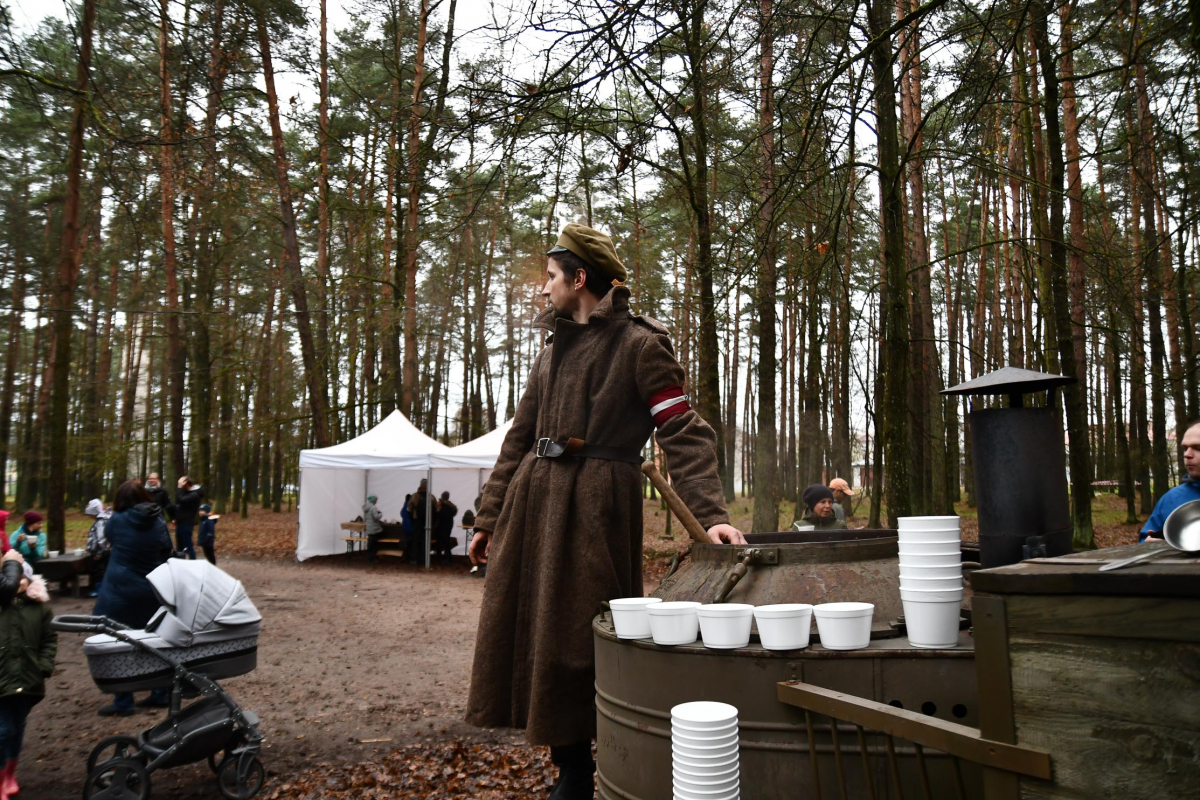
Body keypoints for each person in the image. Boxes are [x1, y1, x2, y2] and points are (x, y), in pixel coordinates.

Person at [465, 223, 744, 799]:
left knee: (579, 637)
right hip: (532, 505)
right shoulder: (552, 348)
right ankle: (564, 759)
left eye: (550, 278)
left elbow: (683, 432)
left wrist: (710, 513)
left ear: (580, 278)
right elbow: (518, 439)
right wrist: (489, 517)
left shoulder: (641, 344)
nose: (543, 290)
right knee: (532, 631)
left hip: (596, 508)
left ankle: (581, 769)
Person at [93, 480, 173, 715]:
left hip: (119, 589)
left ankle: (124, 701)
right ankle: (159, 693)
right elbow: (167, 549)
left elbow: (107, 540)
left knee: (116, 641)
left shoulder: (116, 520)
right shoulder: (158, 521)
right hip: (152, 588)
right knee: (154, 640)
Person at [0, 550, 55, 799]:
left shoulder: (40, 609)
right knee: (3, 729)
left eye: (24, 577)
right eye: (16, 577)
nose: (19, 582)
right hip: (2, 677)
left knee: (18, 726)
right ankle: (1, 778)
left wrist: (44, 665)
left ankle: (10, 772)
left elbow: (49, 639)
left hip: (28, 678)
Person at [1141, 420, 1200, 542]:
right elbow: (1145, 538)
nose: (1187, 454)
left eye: (1197, 448)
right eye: (1185, 448)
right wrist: (1149, 543)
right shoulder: (1172, 498)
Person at [84, 499, 112, 598]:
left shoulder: (100, 521)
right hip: (99, 552)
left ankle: (99, 590)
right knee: (98, 570)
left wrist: (99, 553)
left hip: (100, 553)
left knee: (99, 571)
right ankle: (97, 588)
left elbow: (102, 539)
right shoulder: (100, 520)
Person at [173, 476, 204, 559]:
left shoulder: (195, 494)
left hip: (186, 523)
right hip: (180, 522)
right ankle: (180, 563)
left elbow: (181, 500)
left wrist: (179, 487)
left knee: (188, 545)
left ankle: (192, 563)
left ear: (186, 484)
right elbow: (179, 503)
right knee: (180, 546)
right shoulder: (187, 492)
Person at [408, 480, 429, 565]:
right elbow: (436, 510)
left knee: (416, 540)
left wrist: (412, 519)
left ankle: (414, 559)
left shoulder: (414, 496)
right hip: (427, 522)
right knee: (425, 540)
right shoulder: (431, 497)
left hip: (416, 521)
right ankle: (424, 559)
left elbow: (409, 509)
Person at [435, 491, 457, 561]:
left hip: (441, 525)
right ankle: (447, 555)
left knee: (440, 540)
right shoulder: (451, 505)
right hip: (448, 524)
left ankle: (440, 555)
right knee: (446, 540)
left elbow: (438, 514)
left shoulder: (440, 505)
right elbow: (454, 511)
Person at [362, 494, 383, 563]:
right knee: (374, 545)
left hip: (369, 528)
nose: (376, 501)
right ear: (373, 500)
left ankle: (369, 558)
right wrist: (380, 514)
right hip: (374, 529)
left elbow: (365, 519)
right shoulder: (373, 508)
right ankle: (374, 558)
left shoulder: (366, 508)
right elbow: (376, 517)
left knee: (370, 545)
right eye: (376, 500)